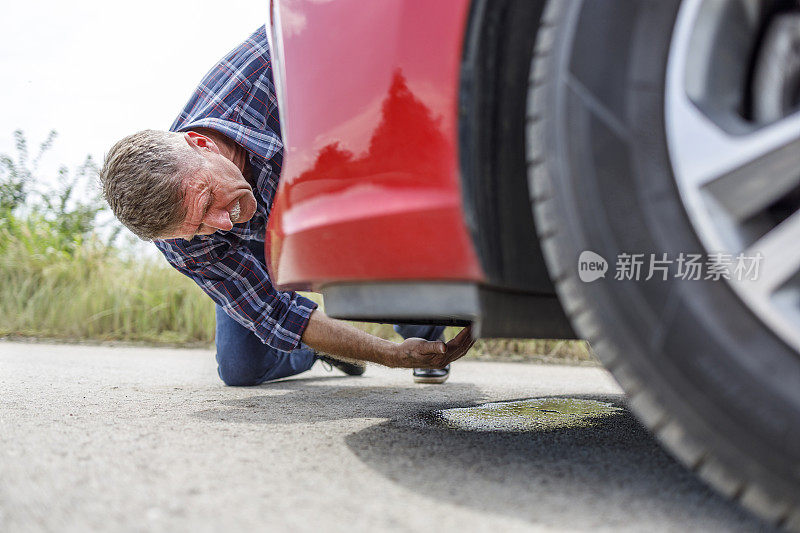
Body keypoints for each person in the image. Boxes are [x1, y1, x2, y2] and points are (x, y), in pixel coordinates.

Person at [99, 26, 472, 386]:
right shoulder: (180, 236)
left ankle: (423, 328)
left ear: (202, 143)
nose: (221, 224)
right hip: (265, 224)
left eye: (209, 200)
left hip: (340, 173)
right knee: (240, 369)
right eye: (199, 227)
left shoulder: (276, 61)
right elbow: (274, 313)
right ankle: (325, 352)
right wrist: (389, 355)